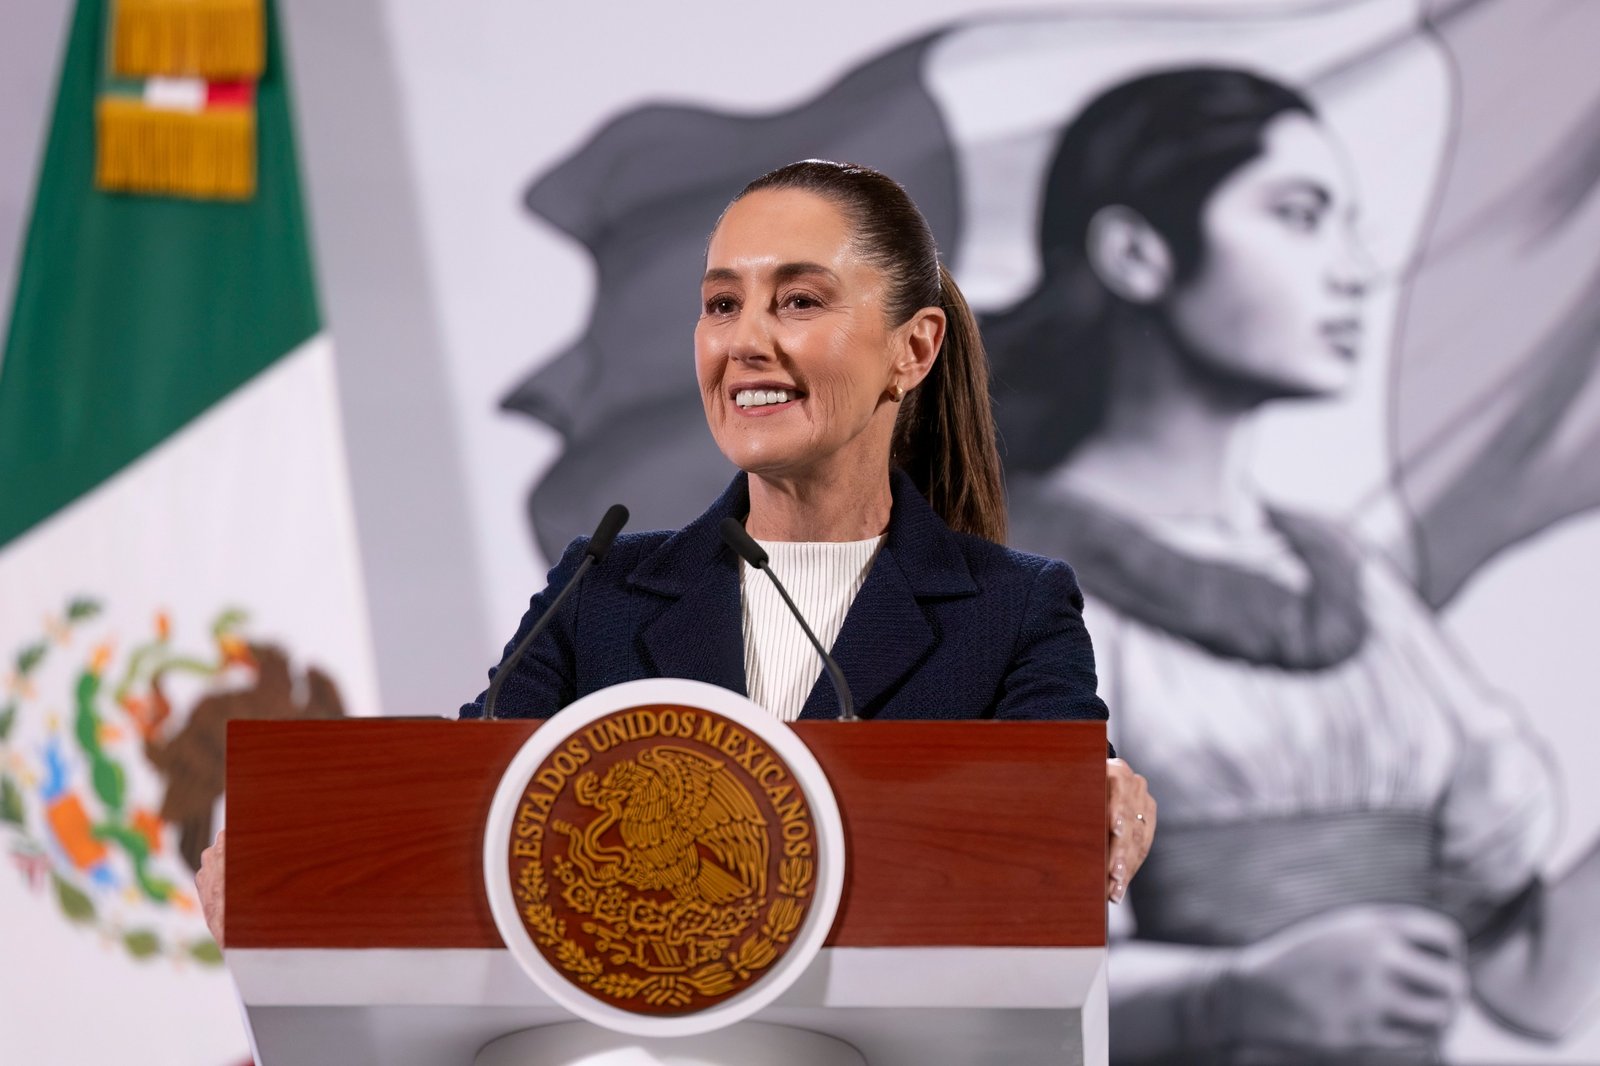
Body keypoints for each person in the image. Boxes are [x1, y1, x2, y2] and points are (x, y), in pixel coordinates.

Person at [197, 159, 1157, 944]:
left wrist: (1091, 797)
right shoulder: (603, 591)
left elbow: (1057, 830)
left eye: (799, 300)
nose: (744, 343)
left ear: (913, 349)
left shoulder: (1014, 610)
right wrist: (293, 848)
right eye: (722, 304)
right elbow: (464, 810)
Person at [988, 67, 1600, 1063]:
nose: (1355, 269)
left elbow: (1526, 983)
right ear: (1136, 253)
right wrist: (1225, 1000)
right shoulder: (1000, 597)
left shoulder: (1353, 586)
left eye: (1348, 223)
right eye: (1299, 215)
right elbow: (964, 1000)